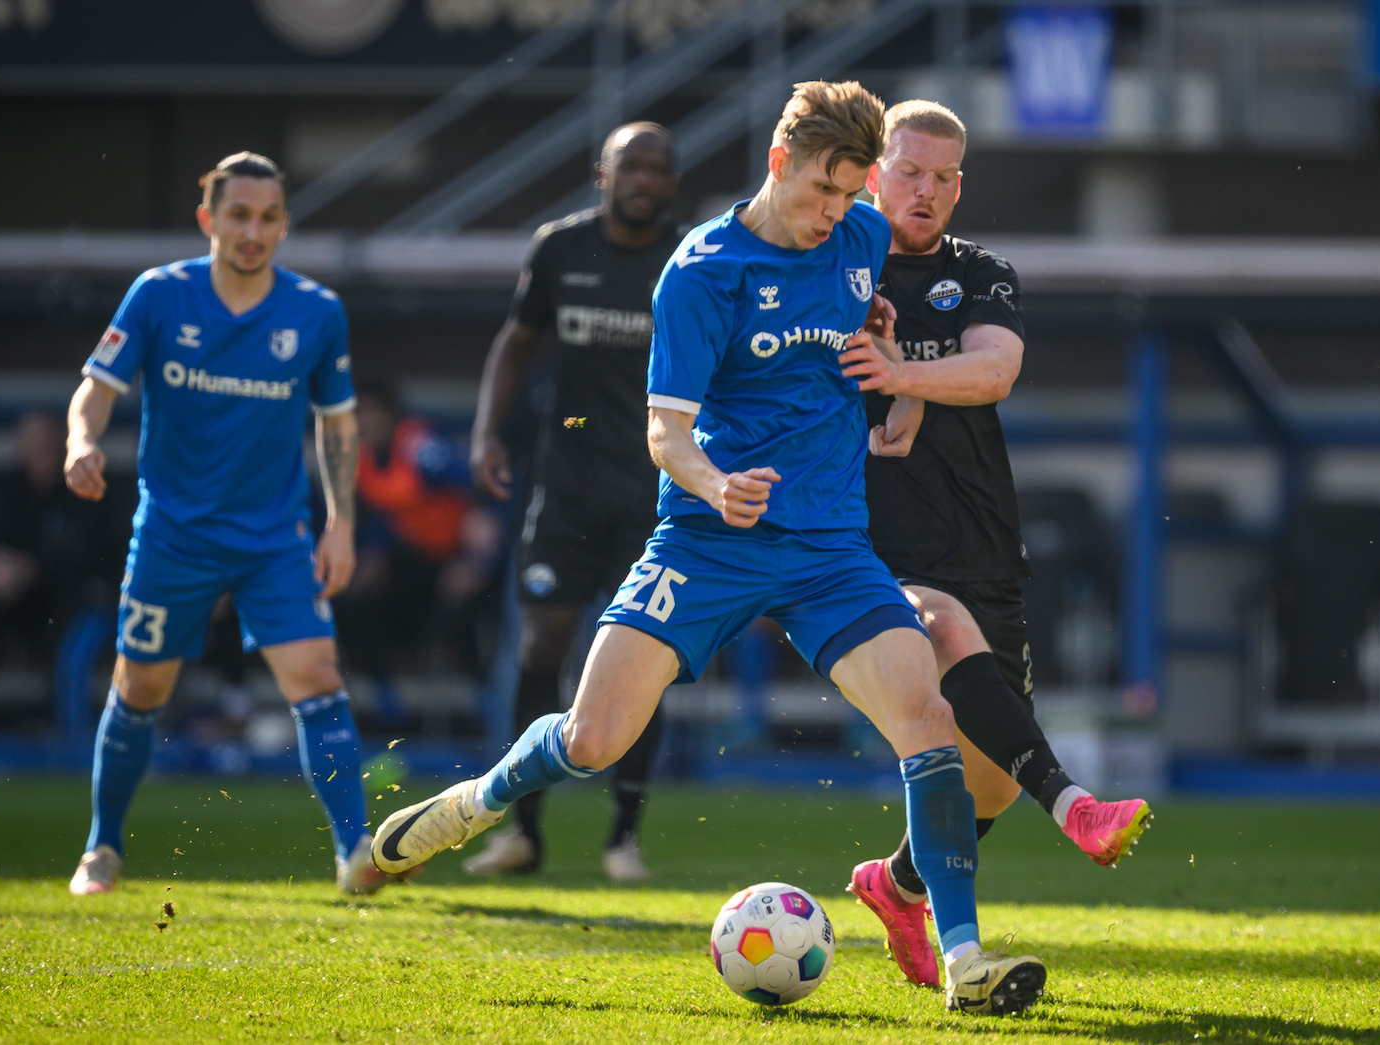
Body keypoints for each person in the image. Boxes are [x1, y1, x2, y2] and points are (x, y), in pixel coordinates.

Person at [372, 81, 1049, 1015]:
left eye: (852, 194)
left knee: (929, 721)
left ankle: (965, 958)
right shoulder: (701, 271)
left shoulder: (857, 237)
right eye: (823, 191)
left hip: (829, 547)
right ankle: (477, 802)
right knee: (593, 736)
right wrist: (714, 483)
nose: (837, 215)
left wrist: (884, 358)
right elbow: (665, 434)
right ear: (778, 164)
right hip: (709, 537)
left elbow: (857, 333)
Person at [833, 100, 1153, 987]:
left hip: (980, 538)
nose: (924, 190)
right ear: (873, 174)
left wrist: (902, 378)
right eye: (909, 172)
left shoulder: (981, 273)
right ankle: (1078, 806)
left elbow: (996, 369)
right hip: (865, 546)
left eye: (942, 177)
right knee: (939, 638)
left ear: (961, 186)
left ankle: (895, 882)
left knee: (988, 782)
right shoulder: (830, 266)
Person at [63, 152, 403, 898]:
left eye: (269, 216)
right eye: (239, 214)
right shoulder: (158, 295)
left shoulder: (316, 309)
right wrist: (81, 440)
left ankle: (355, 851)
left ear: (284, 224)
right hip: (172, 533)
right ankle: (102, 845)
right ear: (207, 219)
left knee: (316, 675)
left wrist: (342, 522)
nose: (253, 230)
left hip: (274, 537)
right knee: (142, 685)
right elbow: (95, 386)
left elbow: (338, 422)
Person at [461, 123, 683, 882]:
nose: (645, 177)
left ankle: (625, 837)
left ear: (673, 181)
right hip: (567, 486)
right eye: (632, 164)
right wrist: (488, 431)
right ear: (603, 173)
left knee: (643, 661)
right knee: (540, 647)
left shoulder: (693, 259)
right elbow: (516, 341)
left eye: (659, 166)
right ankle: (522, 830)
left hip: (658, 491)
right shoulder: (558, 247)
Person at [0, 411, 127, 723]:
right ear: (22, 449)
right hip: (18, 603)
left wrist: (32, 567)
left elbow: (88, 554)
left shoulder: (86, 487)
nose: (45, 453)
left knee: (75, 638)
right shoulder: (7, 491)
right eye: (36, 445)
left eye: (50, 445)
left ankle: (69, 737)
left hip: (74, 602)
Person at [335, 376, 472, 722]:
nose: (367, 422)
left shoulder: (418, 446)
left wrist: (478, 557)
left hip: (451, 560)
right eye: (359, 414)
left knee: (460, 616)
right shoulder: (361, 459)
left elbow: (474, 482)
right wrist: (373, 553)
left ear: (391, 415)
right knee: (351, 600)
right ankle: (386, 698)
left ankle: (474, 709)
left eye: (373, 412)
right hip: (408, 562)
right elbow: (383, 516)